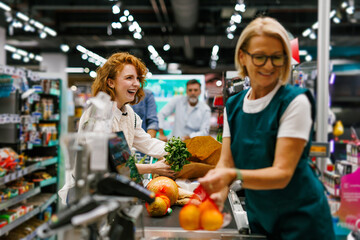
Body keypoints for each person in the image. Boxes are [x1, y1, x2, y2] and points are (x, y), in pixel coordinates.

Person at [198, 17, 335, 240]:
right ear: (242, 56)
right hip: (261, 217)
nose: (269, 66)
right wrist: (218, 197)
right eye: (260, 57)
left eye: (277, 57)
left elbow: (282, 173)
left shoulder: (294, 102)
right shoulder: (234, 106)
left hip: (302, 221)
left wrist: (233, 175)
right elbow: (226, 162)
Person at [59, 52, 174, 204]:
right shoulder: (98, 114)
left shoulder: (129, 113)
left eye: (137, 78)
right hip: (87, 194)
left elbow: (148, 143)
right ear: (110, 82)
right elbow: (108, 166)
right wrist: (153, 168)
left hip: (110, 190)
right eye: (129, 78)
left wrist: (180, 151)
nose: (136, 84)